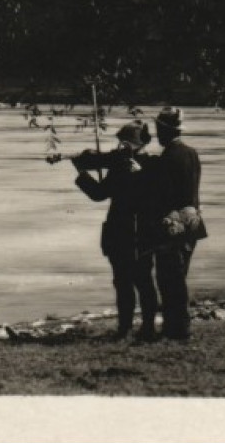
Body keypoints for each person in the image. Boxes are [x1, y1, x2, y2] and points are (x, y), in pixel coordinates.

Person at [67, 121, 157, 339]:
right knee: (142, 280)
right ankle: (146, 327)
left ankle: (127, 328)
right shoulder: (152, 164)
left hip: (123, 231)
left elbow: (99, 194)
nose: (119, 148)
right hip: (143, 232)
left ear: (133, 144)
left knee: (126, 282)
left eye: (123, 143)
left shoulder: (124, 166)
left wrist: (81, 172)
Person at [140, 106, 205, 342]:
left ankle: (178, 329)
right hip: (192, 223)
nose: (157, 133)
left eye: (159, 128)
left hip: (173, 225)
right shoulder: (191, 153)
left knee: (170, 279)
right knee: (177, 276)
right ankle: (175, 326)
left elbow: (161, 195)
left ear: (165, 129)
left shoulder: (168, 158)